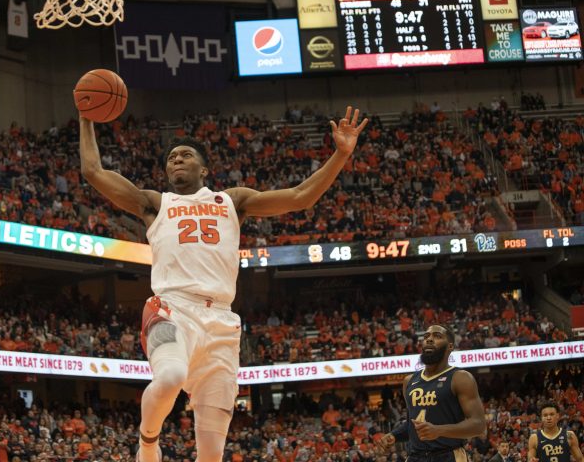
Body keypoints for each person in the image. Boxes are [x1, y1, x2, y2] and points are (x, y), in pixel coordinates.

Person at [79, 105, 368, 462]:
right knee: (169, 376)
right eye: (171, 158)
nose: (176, 160)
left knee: (213, 454)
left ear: (204, 169)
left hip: (222, 324)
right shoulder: (155, 203)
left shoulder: (232, 200)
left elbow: (300, 197)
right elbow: (93, 171)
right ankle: (148, 445)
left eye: (185, 155)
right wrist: (87, 116)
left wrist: (341, 155)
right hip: (171, 308)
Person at [375, 325, 487, 462]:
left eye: (437, 336)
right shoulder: (409, 381)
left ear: (450, 346)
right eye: (426, 336)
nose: (429, 340)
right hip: (415, 457)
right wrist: (394, 435)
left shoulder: (461, 378)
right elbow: (413, 425)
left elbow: (478, 424)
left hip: (448, 455)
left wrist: (439, 431)